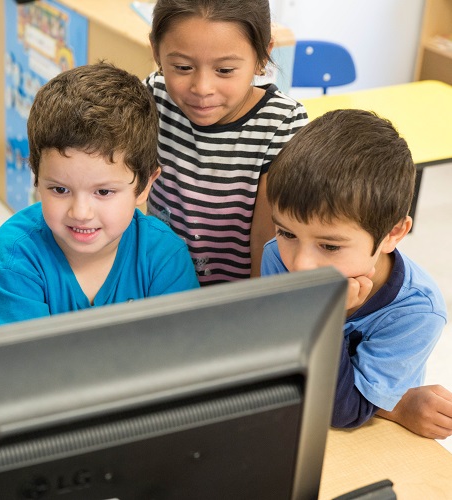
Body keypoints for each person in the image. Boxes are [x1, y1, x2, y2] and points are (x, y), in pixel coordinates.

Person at [261, 109, 452, 439]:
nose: (301, 264)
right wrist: (395, 406)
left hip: (365, 439)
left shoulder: (417, 312)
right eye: (287, 233)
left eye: (330, 246)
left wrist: (330, 317)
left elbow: (345, 412)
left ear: (393, 233)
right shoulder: (277, 256)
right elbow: (272, 358)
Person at [0, 62, 199, 326]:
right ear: (36, 177)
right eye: (60, 189)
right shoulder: (13, 257)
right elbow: (24, 365)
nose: (80, 213)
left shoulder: (165, 256)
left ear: (144, 186)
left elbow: (182, 353)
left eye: (104, 191)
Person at [145, 0, 308, 285]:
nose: (202, 88)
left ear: (262, 57)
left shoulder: (282, 123)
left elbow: (265, 241)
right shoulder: (154, 97)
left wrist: (255, 312)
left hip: (232, 300)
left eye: (225, 70)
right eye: (182, 67)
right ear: (156, 50)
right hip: (157, 287)